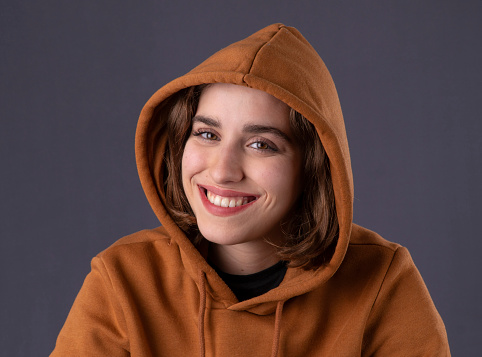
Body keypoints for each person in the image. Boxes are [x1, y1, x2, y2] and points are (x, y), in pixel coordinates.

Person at [51, 23, 450, 356]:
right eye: (207, 133)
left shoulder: (382, 282)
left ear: (312, 166)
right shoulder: (122, 280)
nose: (223, 171)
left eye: (261, 144)